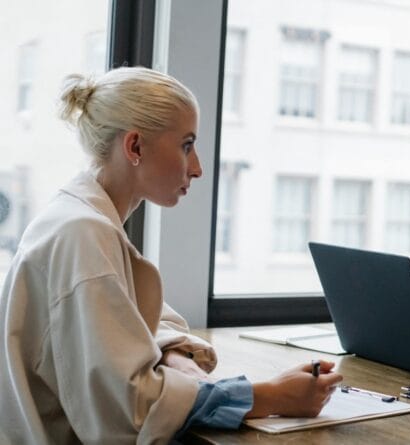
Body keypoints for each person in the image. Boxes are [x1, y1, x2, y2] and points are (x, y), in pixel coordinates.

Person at [0, 66, 343, 443]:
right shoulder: (84, 234)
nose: (196, 168)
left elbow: (136, 327)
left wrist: (174, 357)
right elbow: (132, 412)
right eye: (186, 145)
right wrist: (272, 396)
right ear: (134, 147)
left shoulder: (79, 219)